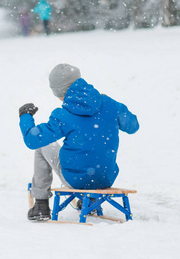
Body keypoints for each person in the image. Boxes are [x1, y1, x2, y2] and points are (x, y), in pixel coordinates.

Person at [18, 64, 139, 221]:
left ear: (59, 91)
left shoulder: (63, 114)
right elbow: (133, 126)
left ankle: (41, 204)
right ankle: (92, 201)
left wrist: (25, 117)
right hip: (105, 178)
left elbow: (33, 140)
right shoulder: (110, 104)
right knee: (94, 151)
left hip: (75, 179)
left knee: (43, 146)